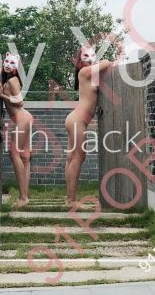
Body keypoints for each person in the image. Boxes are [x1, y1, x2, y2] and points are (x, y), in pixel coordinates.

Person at [65, 45, 113, 209]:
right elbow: (107, 63)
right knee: (77, 158)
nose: (90, 58)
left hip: (76, 120)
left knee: (73, 158)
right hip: (77, 120)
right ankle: (72, 201)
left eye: (92, 55)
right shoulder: (84, 72)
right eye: (86, 56)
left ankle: (69, 199)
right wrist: (102, 60)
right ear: (79, 60)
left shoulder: (91, 75)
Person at [0, 51, 34, 208]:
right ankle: (25, 196)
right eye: (6, 61)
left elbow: (20, 102)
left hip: (22, 118)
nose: (8, 65)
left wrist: (3, 96)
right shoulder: (9, 80)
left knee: (14, 154)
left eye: (12, 63)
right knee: (24, 157)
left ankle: (23, 198)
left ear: (16, 67)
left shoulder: (13, 80)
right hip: (24, 118)